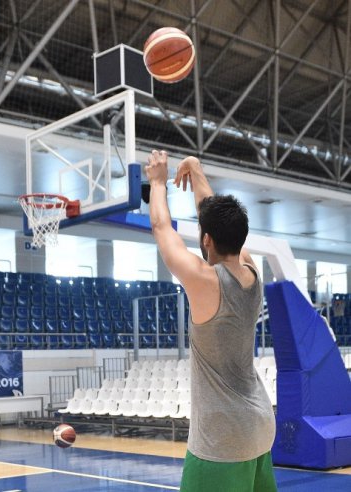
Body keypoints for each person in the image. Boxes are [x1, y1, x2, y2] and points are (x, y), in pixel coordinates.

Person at [144, 150, 277, 491]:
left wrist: (157, 183)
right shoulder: (250, 271)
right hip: (259, 428)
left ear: (206, 240)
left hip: (222, 438)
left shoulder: (206, 282)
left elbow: (161, 227)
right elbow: (216, 219)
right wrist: (197, 171)